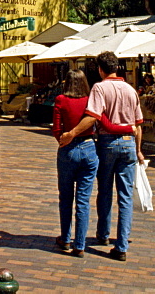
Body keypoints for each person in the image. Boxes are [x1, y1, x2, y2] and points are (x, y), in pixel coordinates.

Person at [59, 51, 145, 261]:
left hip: (107, 142)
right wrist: (139, 149)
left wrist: (71, 134)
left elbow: (92, 117)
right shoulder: (131, 90)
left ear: (100, 69)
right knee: (125, 196)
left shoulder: (99, 87)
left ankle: (104, 234)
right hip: (129, 144)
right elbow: (139, 124)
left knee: (105, 191)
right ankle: (122, 245)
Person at [52, 70, 98, 258]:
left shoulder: (61, 100)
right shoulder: (90, 100)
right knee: (83, 200)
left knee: (66, 197)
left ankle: (65, 237)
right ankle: (80, 243)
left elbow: (56, 128)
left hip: (68, 149)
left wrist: (63, 140)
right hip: (88, 147)